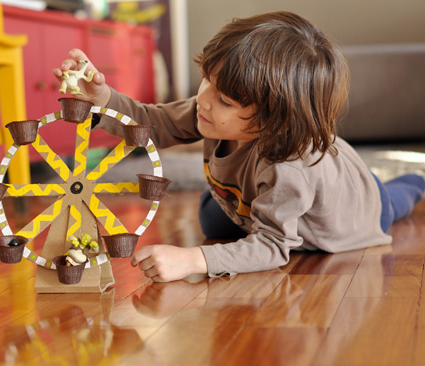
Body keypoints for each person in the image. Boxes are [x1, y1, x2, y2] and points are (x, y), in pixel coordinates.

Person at [53, 11, 425, 282]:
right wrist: (101, 99)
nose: (203, 99)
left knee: (397, 197)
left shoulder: (287, 167)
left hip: (360, 207)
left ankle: (416, 180)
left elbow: (273, 247)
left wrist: (193, 260)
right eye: (205, 81)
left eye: (226, 100)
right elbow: (155, 124)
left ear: (273, 119)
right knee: (211, 217)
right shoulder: (210, 111)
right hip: (274, 194)